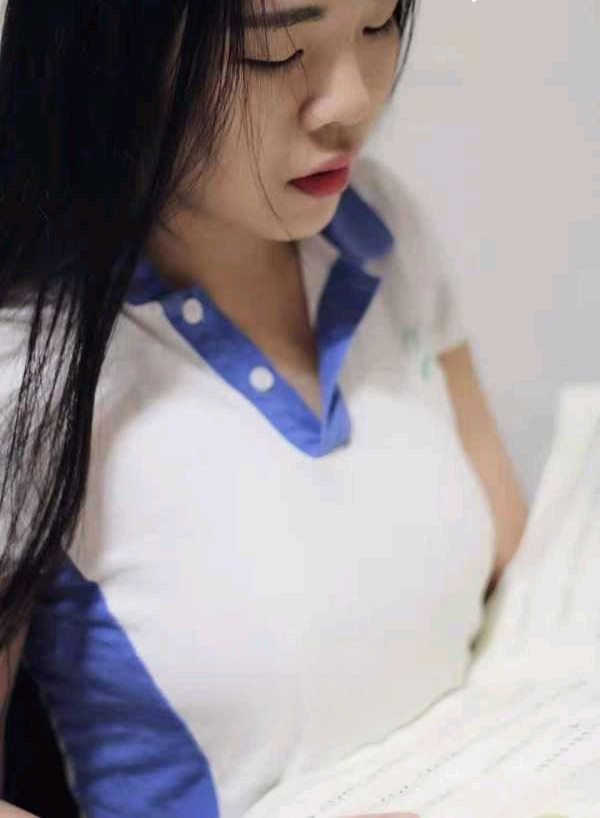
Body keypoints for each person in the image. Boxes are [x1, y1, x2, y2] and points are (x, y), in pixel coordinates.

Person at [0, 0, 529, 816]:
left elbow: (516, 578)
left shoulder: (382, 230)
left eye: (379, 22)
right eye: (275, 51)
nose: (353, 99)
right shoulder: (30, 371)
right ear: (111, 62)